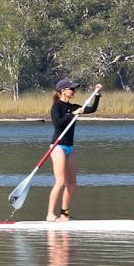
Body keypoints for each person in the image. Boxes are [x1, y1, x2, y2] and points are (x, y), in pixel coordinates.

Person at [46, 79, 103, 222]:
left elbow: (92, 109)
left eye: (74, 89)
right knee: (60, 181)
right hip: (57, 146)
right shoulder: (56, 107)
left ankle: (64, 215)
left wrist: (97, 94)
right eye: (71, 89)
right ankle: (50, 214)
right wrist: (72, 114)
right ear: (63, 90)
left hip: (69, 148)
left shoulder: (74, 107)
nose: (74, 91)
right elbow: (58, 123)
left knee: (72, 182)